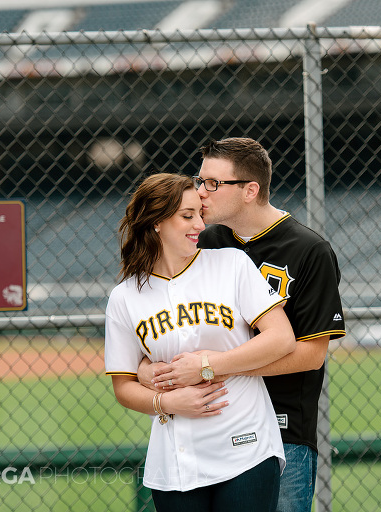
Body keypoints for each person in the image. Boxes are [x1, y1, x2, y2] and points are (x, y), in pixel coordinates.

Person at [142, 138, 346, 512]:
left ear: (250, 190)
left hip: (285, 430)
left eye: (213, 183)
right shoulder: (202, 242)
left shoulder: (308, 250)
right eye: (200, 180)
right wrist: (153, 371)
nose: (200, 192)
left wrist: (212, 367)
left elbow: (311, 355)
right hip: (212, 420)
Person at [104, 172, 297, 512]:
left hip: (246, 446)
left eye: (200, 215)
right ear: (156, 223)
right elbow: (124, 386)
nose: (199, 225)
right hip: (177, 460)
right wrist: (169, 403)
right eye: (187, 215)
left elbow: (281, 338)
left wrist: (206, 367)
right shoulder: (125, 297)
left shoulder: (231, 264)